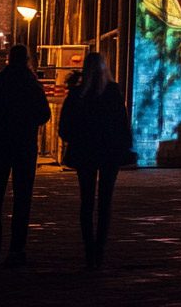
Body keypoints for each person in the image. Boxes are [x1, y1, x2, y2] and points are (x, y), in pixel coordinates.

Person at [0, 45, 51, 266]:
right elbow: (44, 114)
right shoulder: (32, 85)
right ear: (26, 60)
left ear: (8, 59)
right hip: (24, 147)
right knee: (22, 198)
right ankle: (17, 249)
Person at [59, 52, 132, 269]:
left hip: (86, 153)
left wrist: (76, 139)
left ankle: (88, 248)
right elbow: (122, 124)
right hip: (109, 153)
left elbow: (65, 127)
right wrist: (124, 146)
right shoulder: (112, 93)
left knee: (87, 201)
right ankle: (100, 249)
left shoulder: (78, 95)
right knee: (105, 201)